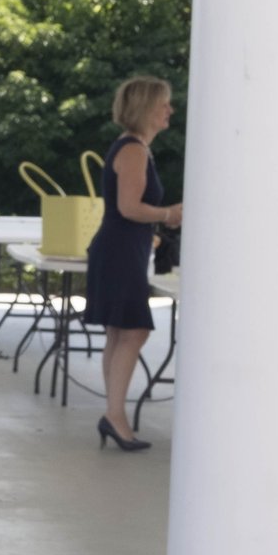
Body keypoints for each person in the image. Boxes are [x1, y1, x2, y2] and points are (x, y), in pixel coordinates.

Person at [82, 76, 183, 451]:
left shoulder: (131, 148)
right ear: (146, 109)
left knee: (119, 332)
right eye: (163, 104)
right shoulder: (135, 150)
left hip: (121, 248)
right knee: (134, 331)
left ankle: (115, 413)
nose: (168, 110)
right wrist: (169, 213)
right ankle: (115, 415)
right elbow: (129, 208)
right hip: (121, 250)